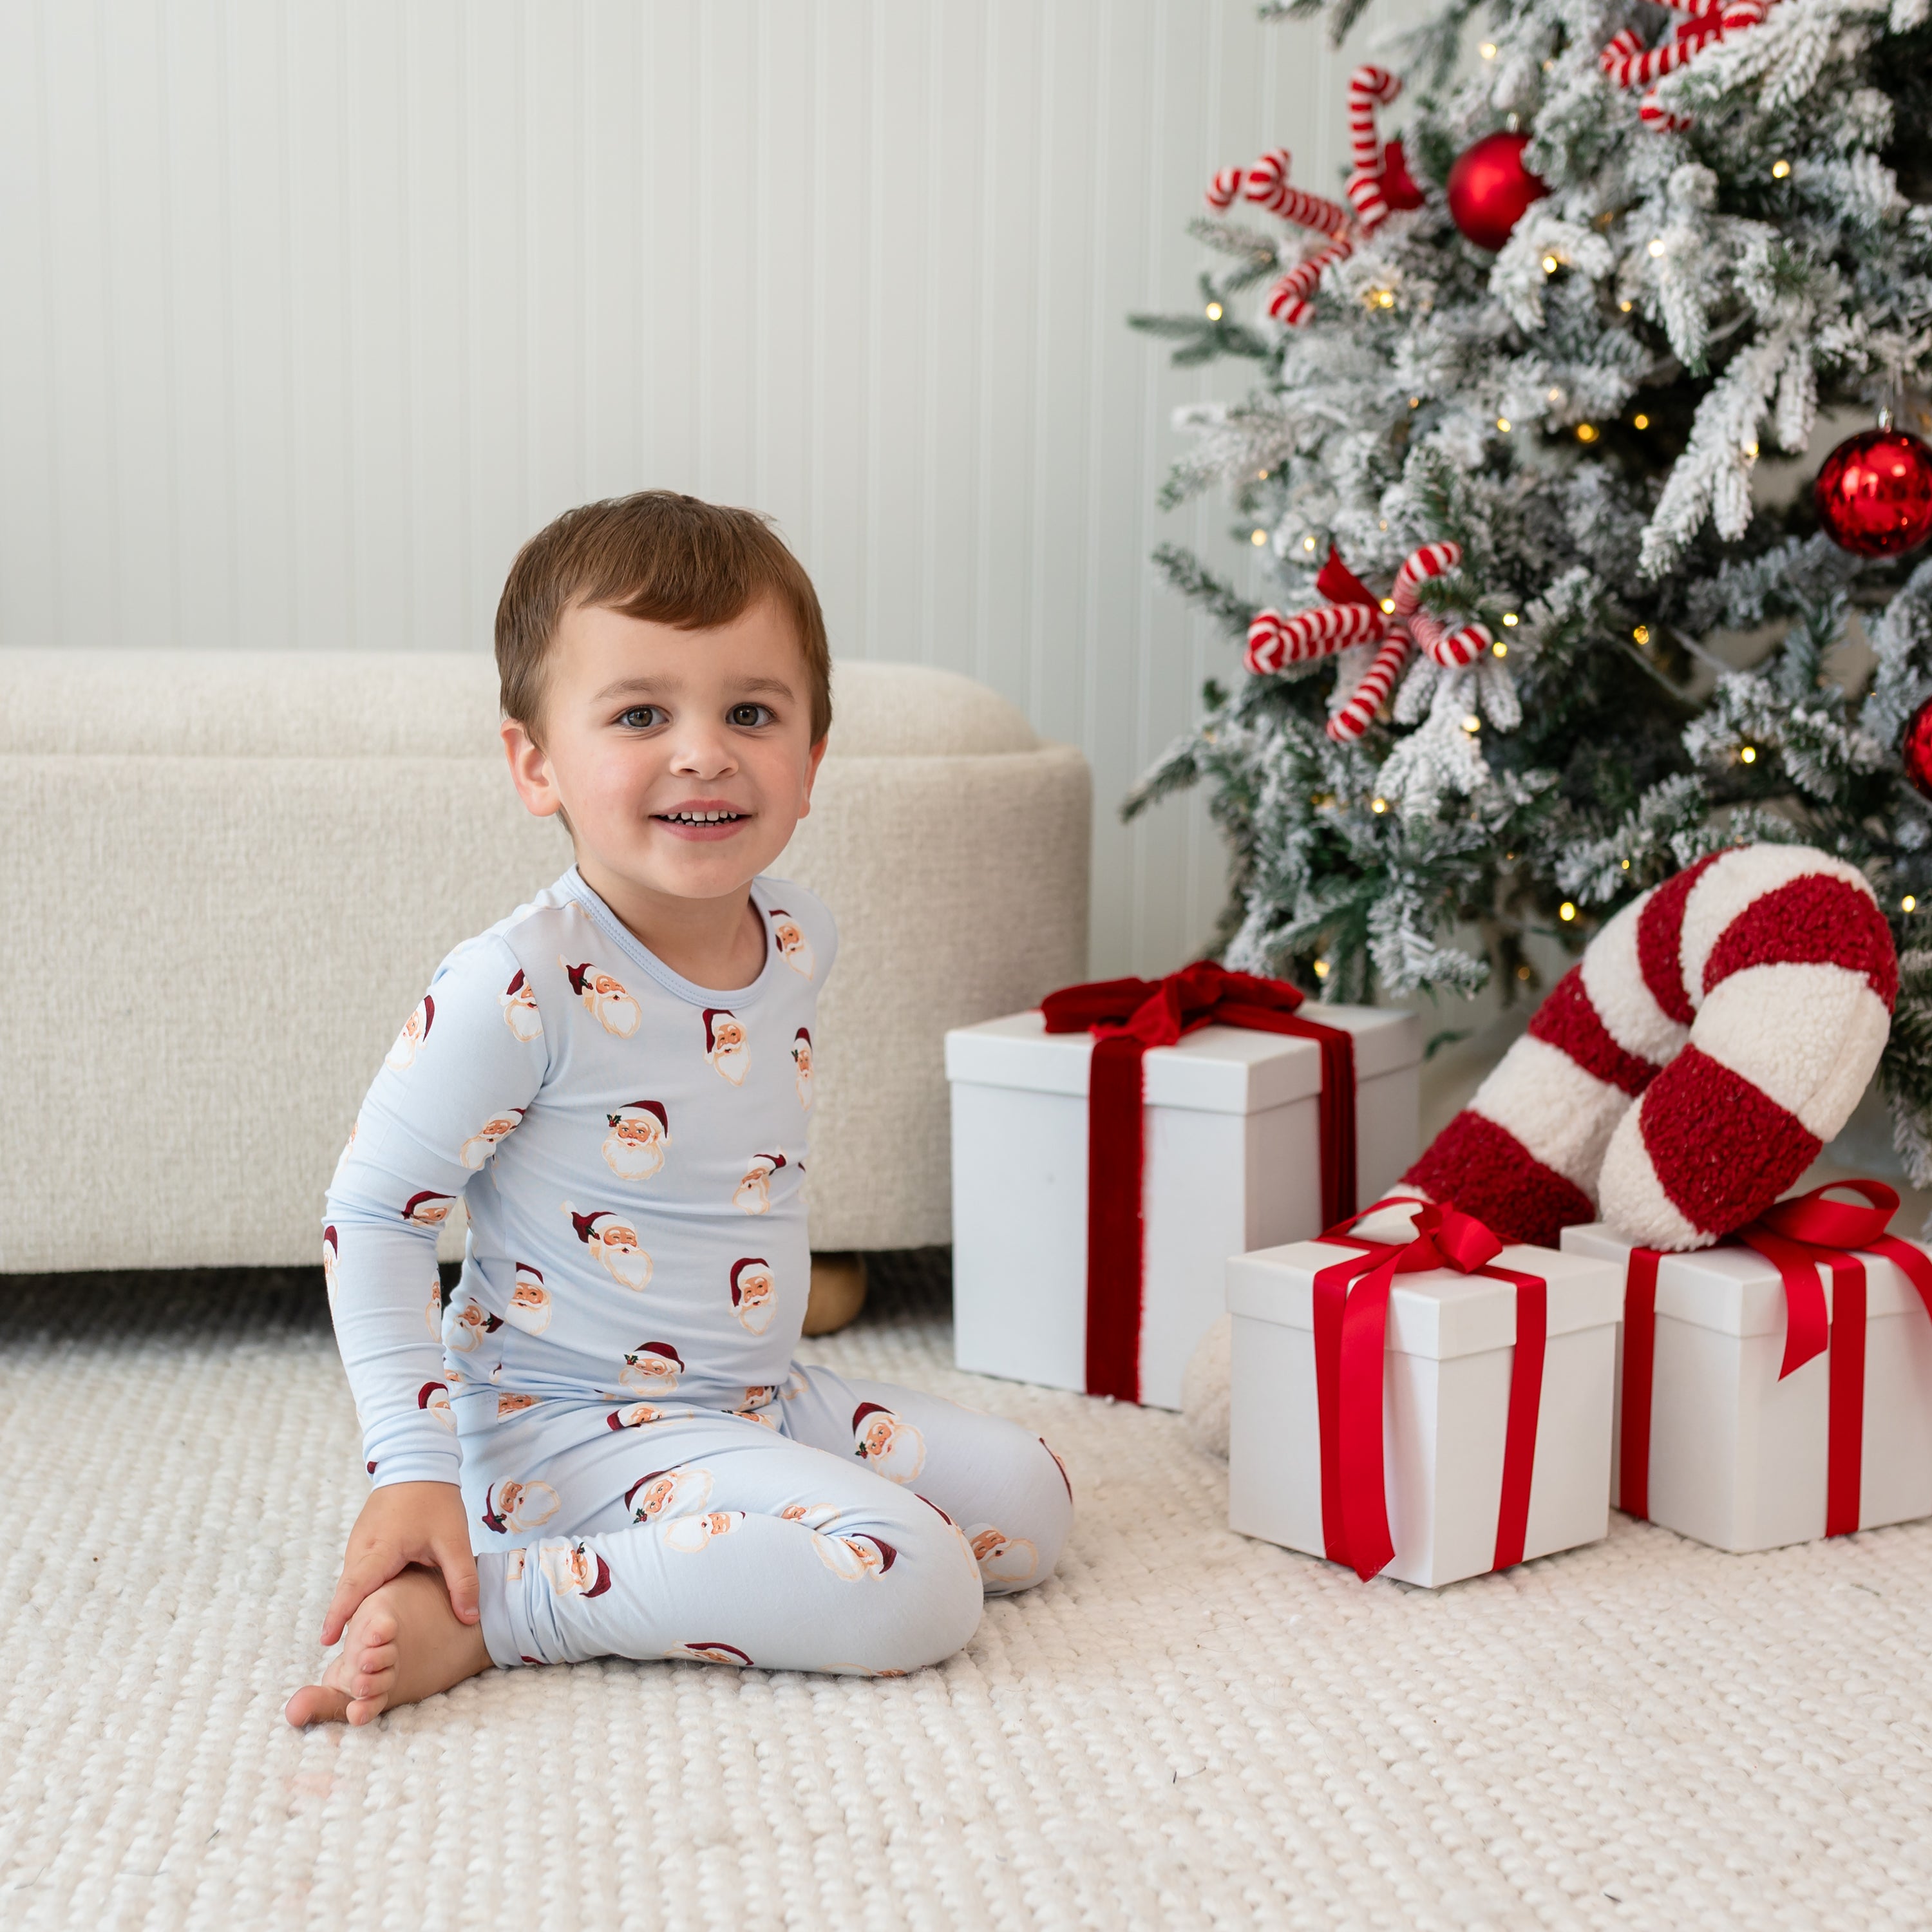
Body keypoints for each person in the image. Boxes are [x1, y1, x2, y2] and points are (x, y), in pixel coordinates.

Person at [287, 492, 1072, 1725]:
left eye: (750, 713)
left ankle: (729, 1515)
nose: (704, 751)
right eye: (642, 714)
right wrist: (413, 1471)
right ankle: (514, 1607)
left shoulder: (800, 935)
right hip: (562, 1433)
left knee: (1031, 1507)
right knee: (916, 1588)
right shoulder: (517, 984)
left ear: (812, 760)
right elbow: (375, 1213)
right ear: (535, 763)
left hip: (744, 1394)